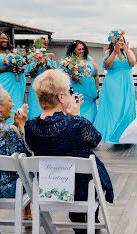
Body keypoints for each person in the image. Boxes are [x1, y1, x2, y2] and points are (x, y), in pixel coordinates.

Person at [24, 69, 113, 229]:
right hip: (81, 188)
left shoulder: (30, 126)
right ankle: (90, 217)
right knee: (92, 165)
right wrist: (75, 116)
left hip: (48, 185)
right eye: (69, 91)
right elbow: (95, 140)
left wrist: (68, 117)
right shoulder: (77, 124)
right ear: (61, 97)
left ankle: (81, 221)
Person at [94, 31, 136, 144]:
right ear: (113, 42)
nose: (121, 42)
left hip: (126, 83)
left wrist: (126, 51)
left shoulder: (129, 51)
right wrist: (115, 52)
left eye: (122, 40)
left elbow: (132, 64)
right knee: (114, 109)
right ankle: (114, 135)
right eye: (118, 40)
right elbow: (107, 65)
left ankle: (126, 136)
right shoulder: (109, 52)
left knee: (127, 108)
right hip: (112, 84)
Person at [65, 40, 99, 123]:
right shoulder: (68, 61)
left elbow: (96, 75)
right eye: (79, 49)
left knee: (90, 118)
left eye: (83, 49)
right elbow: (61, 76)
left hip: (90, 92)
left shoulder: (90, 59)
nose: (81, 51)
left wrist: (96, 90)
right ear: (73, 50)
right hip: (76, 92)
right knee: (77, 116)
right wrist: (71, 77)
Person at [24, 37, 57, 118]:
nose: (44, 45)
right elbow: (31, 74)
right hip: (36, 85)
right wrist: (38, 66)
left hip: (49, 85)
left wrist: (47, 66)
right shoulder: (31, 56)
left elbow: (55, 72)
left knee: (50, 108)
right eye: (42, 43)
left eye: (45, 44)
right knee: (36, 108)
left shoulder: (51, 56)